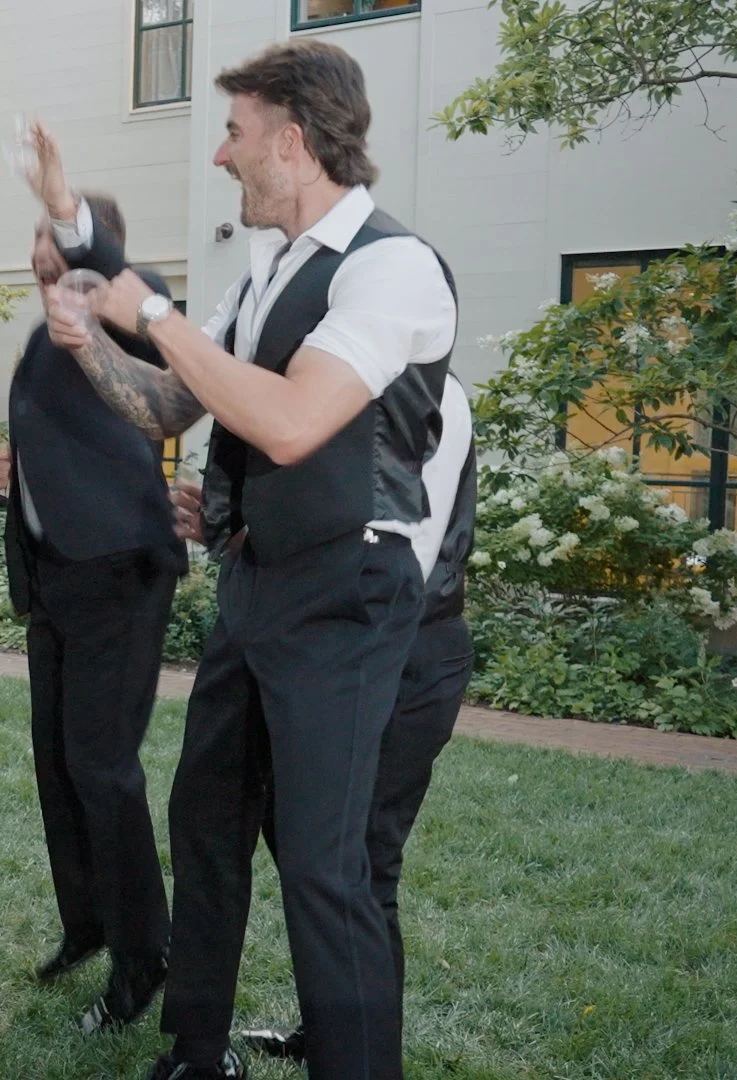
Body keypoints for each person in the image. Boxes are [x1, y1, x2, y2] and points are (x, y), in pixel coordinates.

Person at [39, 41, 458, 1079]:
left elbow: (290, 423)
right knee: (206, 820)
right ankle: (197, 1050)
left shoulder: (392, 267)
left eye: (234, 133)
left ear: (294, 142)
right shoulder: (265, 270)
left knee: (324, 865)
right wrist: (89, 340)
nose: (221, 155)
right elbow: (173, 403)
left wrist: (152, 313)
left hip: (347, 595)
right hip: (257, 584)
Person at [0, 195, 186, 1035]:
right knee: (59, 768)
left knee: (102, 767)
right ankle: (88, 925)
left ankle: (145, 956)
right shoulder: (41, 340)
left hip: (119, 579)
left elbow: (117, 294)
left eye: (55, 245)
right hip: (54, 582)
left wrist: (74, 228)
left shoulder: (131, 312)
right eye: (36, 244)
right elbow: (72, 441)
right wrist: (16, 469)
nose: (42, 258)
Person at [223, 371, 477, 1062]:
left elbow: (404, 550)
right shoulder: (352, 386)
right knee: (313, 847)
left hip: (404, 650)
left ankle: (358, 1051)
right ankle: (335, 1033)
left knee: (360, 863)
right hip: (355, 645)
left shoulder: (428, 394)